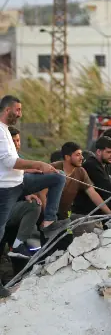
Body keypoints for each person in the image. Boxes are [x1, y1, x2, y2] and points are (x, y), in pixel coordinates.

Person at [0, 96, 64, 268]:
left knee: (58, 176)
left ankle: (49, 222)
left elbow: (12, 163)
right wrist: (38, 164)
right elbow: (8, 162)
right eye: (18, 110)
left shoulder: (5, 129)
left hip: (20, 182)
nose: (20, 114)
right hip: (6, 189)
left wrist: (31, 170)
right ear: (7, 110)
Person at [53, 142, 111, 219]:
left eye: (81, 154)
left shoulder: (81, 171)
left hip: (64, 215)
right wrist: (49, 216)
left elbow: (92, 193)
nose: (82, 158)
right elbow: (42, 193)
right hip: (47, 215)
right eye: (78, 155)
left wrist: (109, 212)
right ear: (67, 157)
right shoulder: (53, 168)